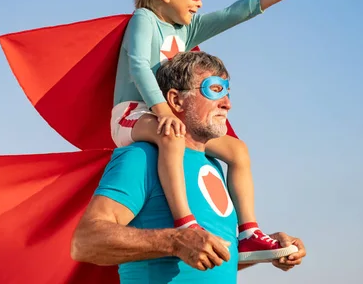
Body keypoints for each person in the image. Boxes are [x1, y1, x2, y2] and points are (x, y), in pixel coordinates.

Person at [110, 0, 301, 261]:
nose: (200, 2)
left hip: (168, 114)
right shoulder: (144, 19)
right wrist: (161, 111)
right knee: (170, 135)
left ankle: (249, 232)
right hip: (133, 113)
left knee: (238, 151)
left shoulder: (187, 29)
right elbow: (139, 66)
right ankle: (186, 222)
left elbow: (230, 15)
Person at [71, 51, 306, 283]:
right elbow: (85, 242)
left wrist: (269, 250)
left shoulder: (216, 165)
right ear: (176, 100)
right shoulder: (142, 156)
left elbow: (205, 255)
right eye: (215, 91)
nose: (227, 104)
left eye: (228, 93)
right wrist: (174, 241)